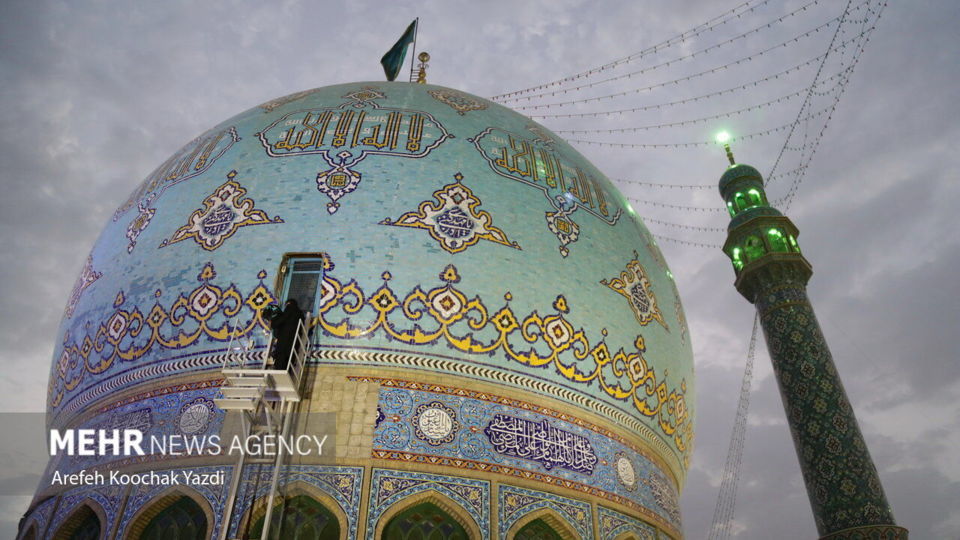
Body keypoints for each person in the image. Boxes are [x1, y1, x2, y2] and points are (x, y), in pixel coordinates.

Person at [268, 299, 304, 370]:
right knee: (288, 362)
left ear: (288, 303)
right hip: (294, 342)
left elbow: (282, 319)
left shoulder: (290, 308)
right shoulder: (301, 314)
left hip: (285, 341)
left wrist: (273, 323)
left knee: (280, 362)